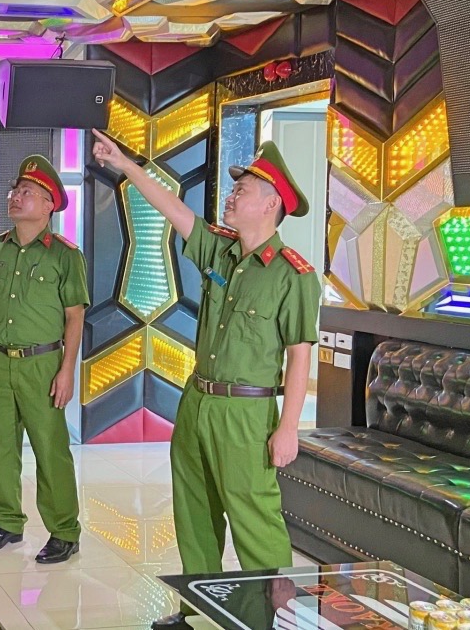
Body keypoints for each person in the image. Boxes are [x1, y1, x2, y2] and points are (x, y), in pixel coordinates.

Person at [91, 130, 321, 629]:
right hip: (198, 401)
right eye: (234, 189)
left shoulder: (294, 275)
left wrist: (288, 428)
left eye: (243, 190)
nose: (231, 197)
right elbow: (172, 209)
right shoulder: (221, 250)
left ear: (272, 204)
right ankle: (198, 612)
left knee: (254, 520)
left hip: (247, 412)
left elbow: (300, 355)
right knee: (194, 513)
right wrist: (126, 166)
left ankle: (275, 618)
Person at [0, 154, 89, 565]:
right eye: (16, 191)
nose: (16, 197)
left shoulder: (65, 255)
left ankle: (64, 530)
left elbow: (75, 316)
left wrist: (67, 371)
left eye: (28, 192)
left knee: (51, 450)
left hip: (43, 364)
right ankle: (7, 522)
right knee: (0, 448)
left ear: (49, 204)